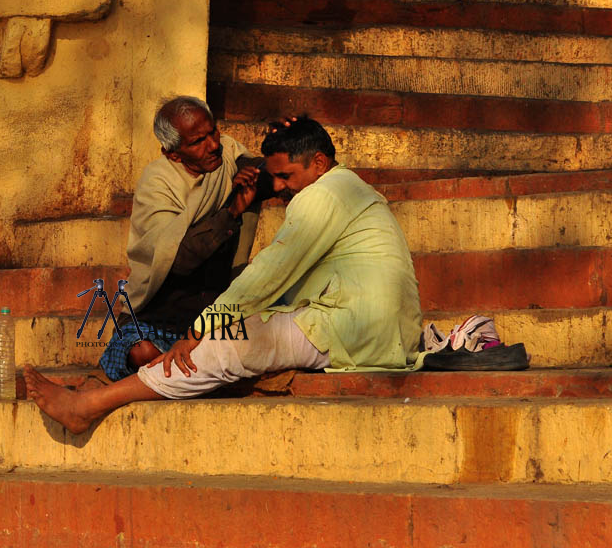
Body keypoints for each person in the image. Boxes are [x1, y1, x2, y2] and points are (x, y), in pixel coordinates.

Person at [29, 116, 423, 434]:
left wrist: (201, 329)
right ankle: (128, 381)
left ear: (318, 163)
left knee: (226, 342)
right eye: (277, 178)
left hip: (355, 328)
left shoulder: (323, 194)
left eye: (286, 177)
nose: (280, 188)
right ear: (172, 152)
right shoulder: (337, 186)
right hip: (364, 326)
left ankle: (87, 405)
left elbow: (268, 274)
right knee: (229, 332)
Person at [98, 95, 271, 381]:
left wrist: (282, 149)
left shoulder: (228, 154)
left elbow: (265, 173)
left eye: (212, 132)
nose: (213, 145)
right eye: (197, 142)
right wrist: (231, 211)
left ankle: (188, 369)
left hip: (215, 313)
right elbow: (178, 258)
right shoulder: (157, 181)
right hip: (160, 314)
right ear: (173, 153)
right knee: (142, 353)